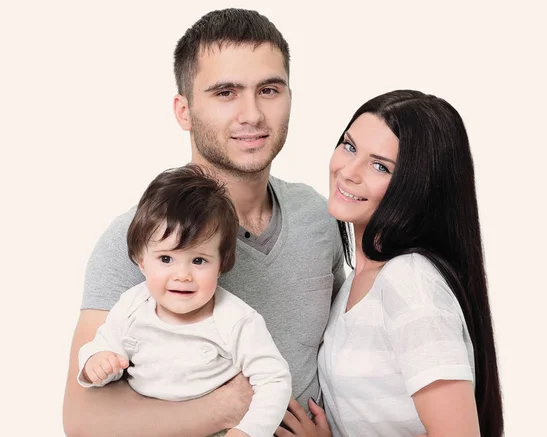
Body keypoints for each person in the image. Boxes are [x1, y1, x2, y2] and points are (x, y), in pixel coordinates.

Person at [63, 8, 346, 437]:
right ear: (184, 111)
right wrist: (226, 410)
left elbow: (349, 354)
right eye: (225, 92)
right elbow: (84, 422)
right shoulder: (142, 239)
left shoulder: (319, 217)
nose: (251, 114)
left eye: (269, 89)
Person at [277, 90, 503, 437]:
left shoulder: (409, 282)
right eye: (349, 146)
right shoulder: (359, 279)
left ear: (417, 186)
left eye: (380, 166)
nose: (348, 171)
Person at [77, 164, 292, 437]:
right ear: (142, 261)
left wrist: (247, 431)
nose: (182, 275)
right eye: (166, 259)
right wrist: (95, 362)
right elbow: (101, 345)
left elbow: (274, 379)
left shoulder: (235, 320)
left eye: (199, 260)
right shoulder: (132, 305)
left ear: (222, 264)